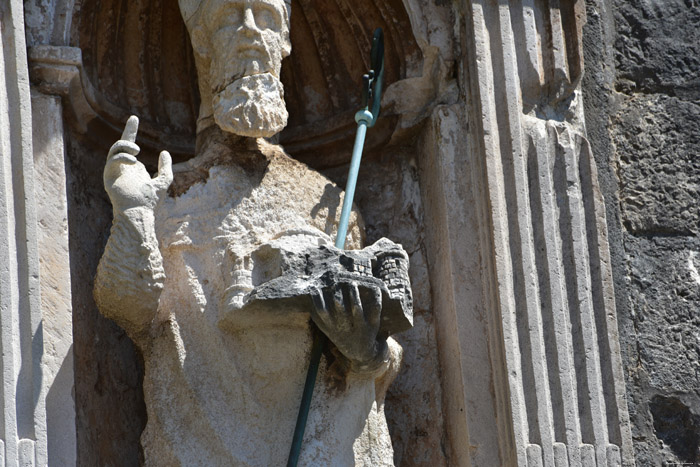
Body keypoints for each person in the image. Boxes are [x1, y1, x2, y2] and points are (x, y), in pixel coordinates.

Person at [93, 0, 409, 464]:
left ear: (284, 40)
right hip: (201, 447)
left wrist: (367, 353)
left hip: (327, 448)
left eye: (264, 16)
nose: (249, 32)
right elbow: (131, 310)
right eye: (228, 17)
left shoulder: (332, 205)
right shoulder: (166, 193)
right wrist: (135, 214)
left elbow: (383, 348)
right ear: (200, 39)